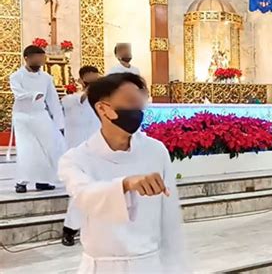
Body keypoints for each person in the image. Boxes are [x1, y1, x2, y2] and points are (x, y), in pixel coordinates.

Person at [58, 73, 188, 273]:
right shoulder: (75, 159)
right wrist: (125, 184)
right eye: (129, 103)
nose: (136, 111)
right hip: (101, 266)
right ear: (103, 109)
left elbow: (169, 218)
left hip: (149, 265)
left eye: (139, 103)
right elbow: (85, 195)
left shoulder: (156, 150)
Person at [9, 45, 66, 193]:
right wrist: (34, 95)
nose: (40, 61)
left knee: (48, 147)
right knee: (26, 149)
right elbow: (18, 94)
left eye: (42, 58)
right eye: (37, 58)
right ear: (26, 58)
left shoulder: (47, 78)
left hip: (41, 115)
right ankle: (22, 182)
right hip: (23, 117)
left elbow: (53, 101)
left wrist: (60, 123)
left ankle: (43, 180)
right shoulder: (16, 76)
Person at [60, 65, 101, 246]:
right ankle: (69, 230)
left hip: (100, 152)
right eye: (89, 79)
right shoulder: (70, 100)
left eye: (96, 79)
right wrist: (86, 92)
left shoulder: (102, 101)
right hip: (78, 155)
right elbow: (79, 100)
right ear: (81, 80)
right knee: (80, 192)